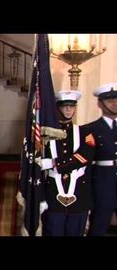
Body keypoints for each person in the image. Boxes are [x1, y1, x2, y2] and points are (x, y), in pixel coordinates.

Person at [40, 90, 95, 236]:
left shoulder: (85, 132)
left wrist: (53, 163)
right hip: (52, 194)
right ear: (57, 107)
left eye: (72, 106)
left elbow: (84, 157)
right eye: (65, 106)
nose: (69, 109)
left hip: (79, 195)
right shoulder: (45, 133)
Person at [84, 83, 117, 236]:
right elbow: (87, 163)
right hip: (103, 183)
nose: (115, 103)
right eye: (110, 100)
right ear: (100, 103)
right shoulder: (90, 129)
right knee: (99, 225)